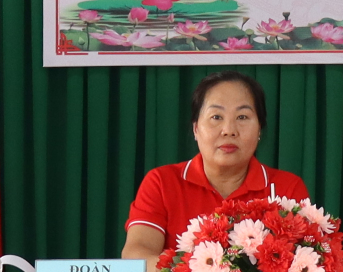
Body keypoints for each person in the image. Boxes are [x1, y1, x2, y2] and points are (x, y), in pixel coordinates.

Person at [122, 72, 310, 260]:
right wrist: (201, 269)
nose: (229, 130)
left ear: (259, 128)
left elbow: (305, 261)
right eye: (216, 117)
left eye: (242, 117)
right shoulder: (162, 183)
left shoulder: (287, 188)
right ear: (196, 128)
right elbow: (136, 255)